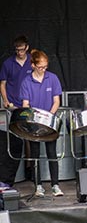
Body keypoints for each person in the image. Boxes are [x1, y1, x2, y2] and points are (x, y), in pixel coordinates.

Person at [19, 49, 64, 197]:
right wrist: (32, 118)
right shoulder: (26, 82)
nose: (43, 69)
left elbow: (56, 101)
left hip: (48, 122)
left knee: (52, 154)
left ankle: (55, 185)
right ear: (32, 65)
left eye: (45, 66)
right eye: (40, 67)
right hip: (34, 123)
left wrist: (49, 118)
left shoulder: (52, 78)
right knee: (35, 155)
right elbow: (25, 104)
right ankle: (38, 185)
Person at [0, 35, 32, 187]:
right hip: (13, 105)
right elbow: (3, 84)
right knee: (15, 137)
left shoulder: (32, 60)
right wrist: (5, 101)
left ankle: (30, 168)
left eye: (21, 49)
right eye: (17, 50)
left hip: (28, 104)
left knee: (30, 136)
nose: (19, 52)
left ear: (26, 47)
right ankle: (15, 174)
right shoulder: (8, 63)